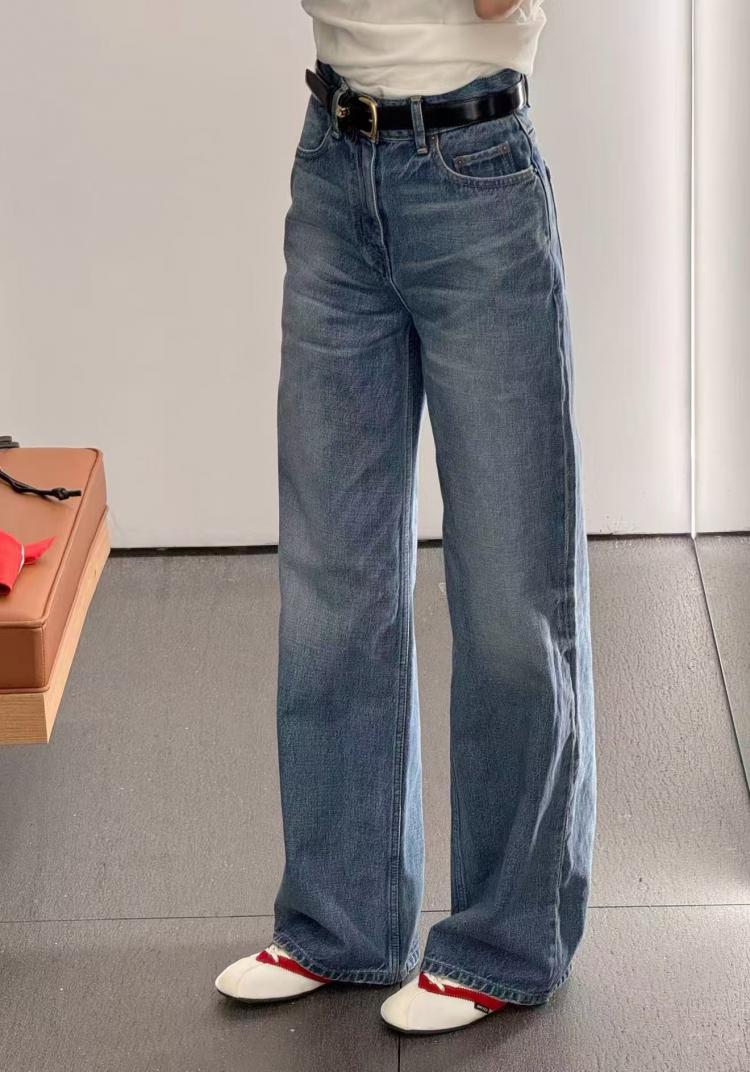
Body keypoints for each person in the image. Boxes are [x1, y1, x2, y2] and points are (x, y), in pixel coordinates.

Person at [215, 0, 597, 1037]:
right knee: (331, 582)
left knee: (512, 588)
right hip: (334, 161)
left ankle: (508, 944)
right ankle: (341, 920)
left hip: (477, 168)